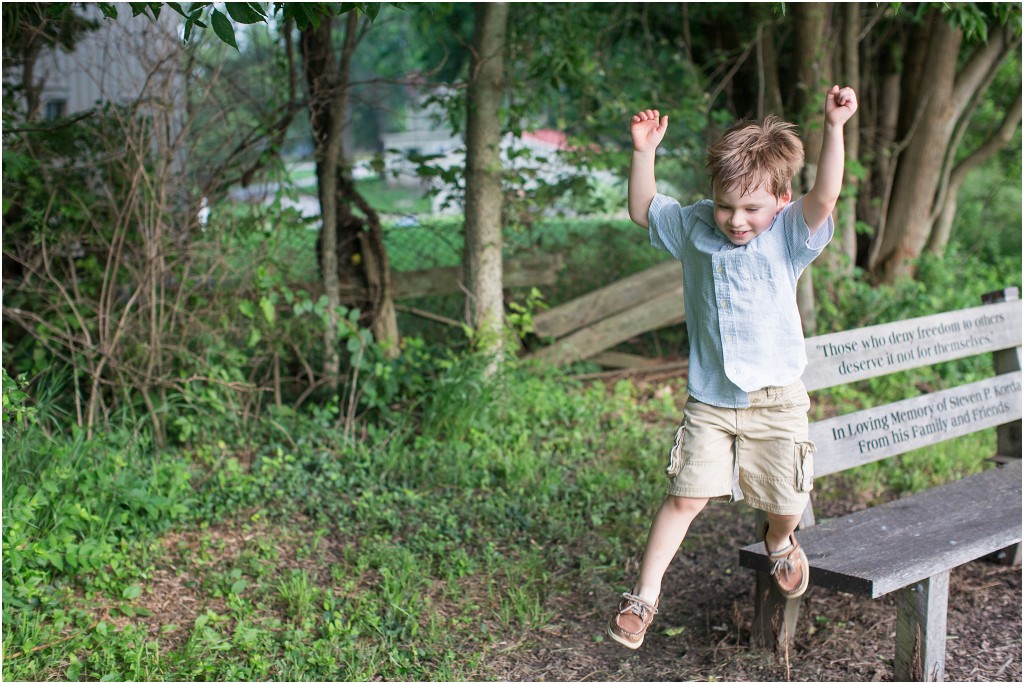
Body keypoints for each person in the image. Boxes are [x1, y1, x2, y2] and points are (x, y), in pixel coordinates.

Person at [608, 85, 858, 650]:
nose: (736, 220)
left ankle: (780, 543)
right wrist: (644, 151)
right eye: (726, 205)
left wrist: (834, 127)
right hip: (713, 400)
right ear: (712, 197)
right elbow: (644, 209)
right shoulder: (696, 227)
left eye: (752, 209)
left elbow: (826, 194)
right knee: (685, 496)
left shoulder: (789, 233)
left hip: (777, 400)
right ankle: (644, 595)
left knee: (787, 502)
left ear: (781, 200)